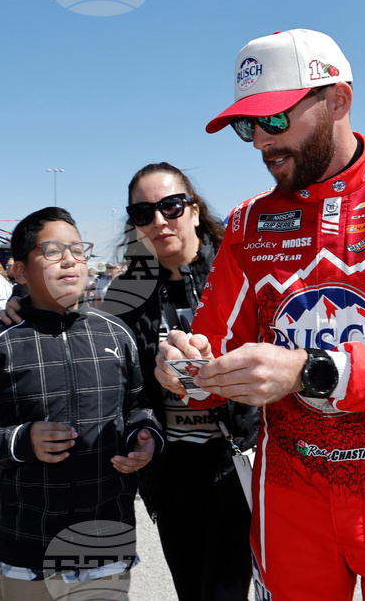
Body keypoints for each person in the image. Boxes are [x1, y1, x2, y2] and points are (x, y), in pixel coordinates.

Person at [157, 29, 365, 601]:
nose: (261, 142)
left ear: (338, 100)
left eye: (275, 120)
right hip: (289, 498)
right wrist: (186, 367)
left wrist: (307, 371)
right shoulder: (246, 224)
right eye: (246, 126)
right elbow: (211, 353)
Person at [0, 207, 163, 601]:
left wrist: (144, 435)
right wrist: (21, 441)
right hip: (27, 545)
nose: (69, 259)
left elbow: (139, 406)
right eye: (51, 250)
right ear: (20, 271)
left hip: (106, 538)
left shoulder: (116, 334)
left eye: (78, 250)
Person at [101, 163, 257, 600]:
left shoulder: (240, 270)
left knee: (229, 590)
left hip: (239, 459)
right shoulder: (125, 295)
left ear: (193, 209)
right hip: (172, 469)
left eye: (170, 206)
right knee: (192, 589)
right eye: (143, 213)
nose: (159, 221)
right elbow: (125, 387)